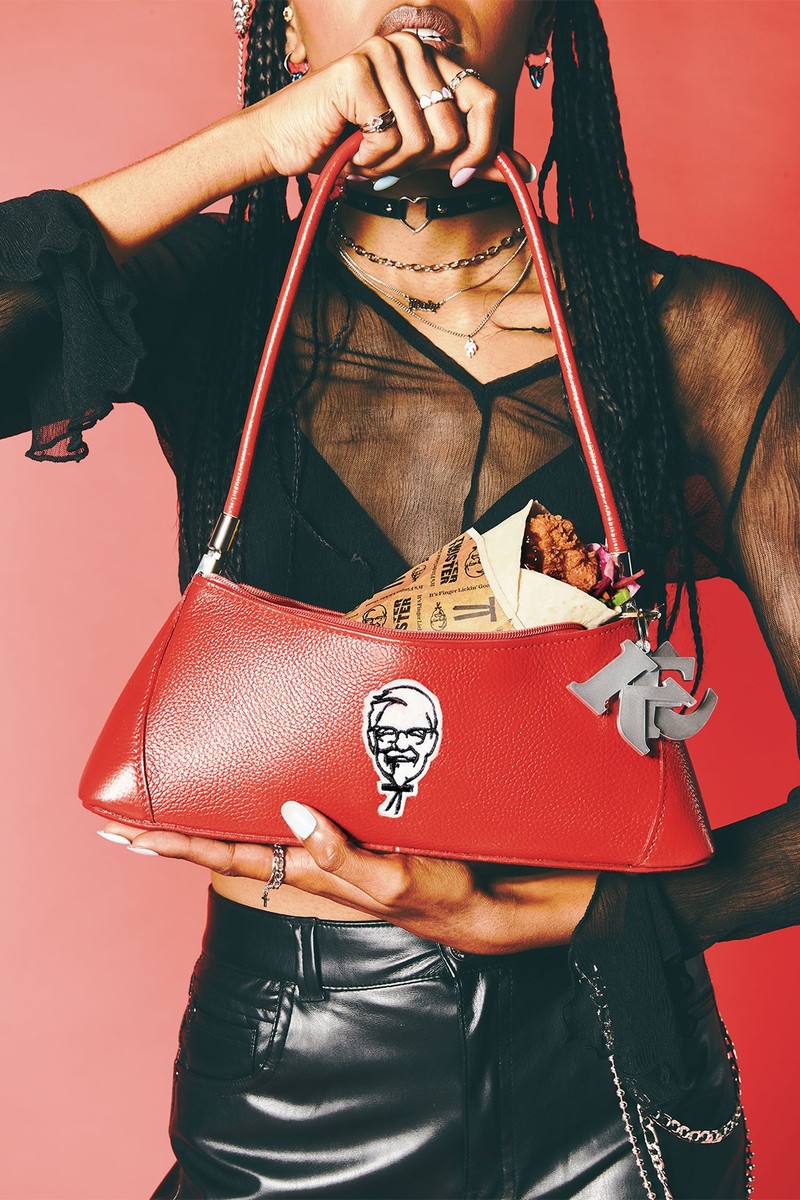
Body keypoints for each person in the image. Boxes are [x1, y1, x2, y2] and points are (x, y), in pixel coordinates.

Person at [1, 1, 798, 1196]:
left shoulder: (691, 332)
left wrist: (590, 916)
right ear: (280, 26)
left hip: (613, 1073)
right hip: (291, 1077)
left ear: (544, 25)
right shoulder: (215, 292)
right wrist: (251, 145)